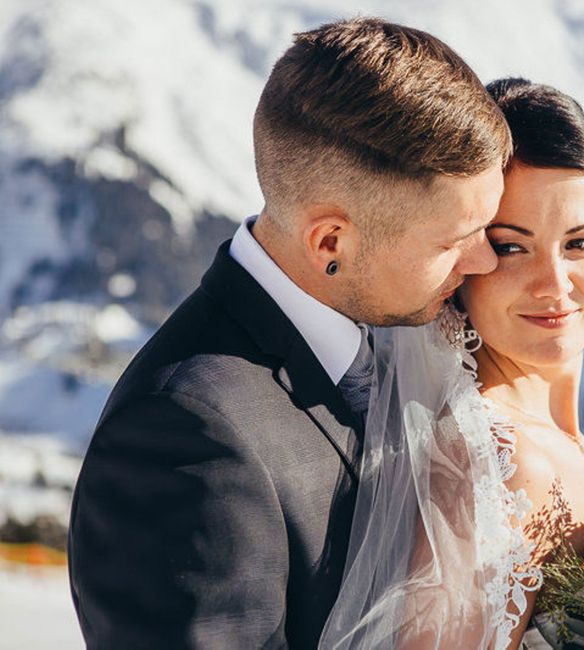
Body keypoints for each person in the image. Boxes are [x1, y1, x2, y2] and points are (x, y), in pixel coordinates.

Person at [67, 18, 510, 648]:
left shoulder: (399, 340)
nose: (483, 262)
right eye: (453, 240)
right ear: (331, 240)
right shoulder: (184, 434)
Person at [319, 77, 584, 650]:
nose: (555, 284)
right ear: (465, 258)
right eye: (511, 246)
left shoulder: (562, 445)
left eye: (580, 243)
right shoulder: (495, 465)